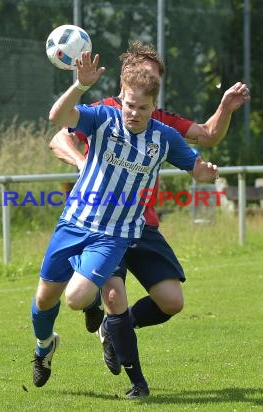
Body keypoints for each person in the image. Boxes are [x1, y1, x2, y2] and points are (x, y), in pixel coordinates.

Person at [49, 41, 250, 378]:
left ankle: (113, 327)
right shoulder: (106, 111)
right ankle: (121, 345)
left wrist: (225, 108)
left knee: (171, 302)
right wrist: (85, 164)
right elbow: (59, 137)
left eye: (153, 77)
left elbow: (208, 136)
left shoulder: (161, 123)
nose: (147, 80)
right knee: (111, 293)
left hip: (142, 224)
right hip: (102, 224)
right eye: (142, 73)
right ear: (127, 77)